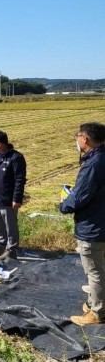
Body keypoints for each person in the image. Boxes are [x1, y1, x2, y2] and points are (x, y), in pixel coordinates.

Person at [59, 122, 105, 326]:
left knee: (95, 271)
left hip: (94, 225)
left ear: (85, 139)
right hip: (100, 221)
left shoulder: (95, 163)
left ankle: (96, 313)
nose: (76, 140)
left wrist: (64, 204)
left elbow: (81, 196)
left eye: (77, 136)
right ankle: (96, 301)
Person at [0, 131, 26, 260]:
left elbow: (20, 179)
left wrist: (16, 198)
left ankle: (11, 249)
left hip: (8, 198)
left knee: (10, 225)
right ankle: (1, 245)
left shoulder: (16, 157)